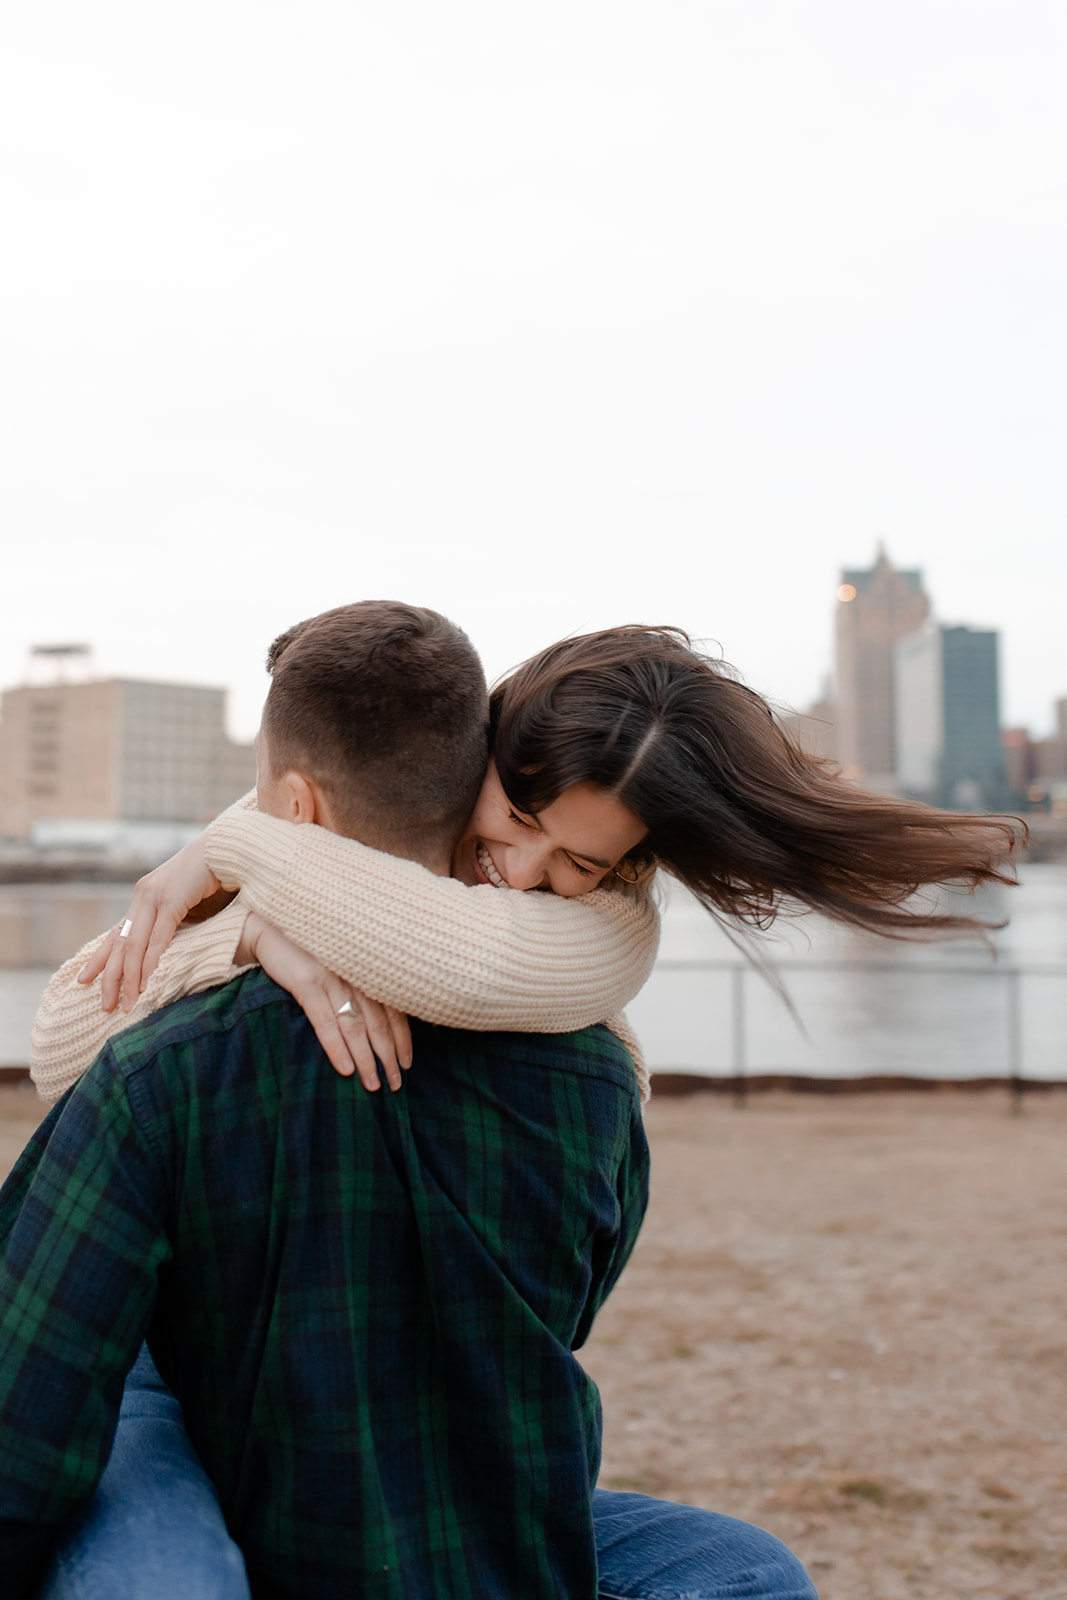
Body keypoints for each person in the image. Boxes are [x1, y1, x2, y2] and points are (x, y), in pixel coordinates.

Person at [4, 602, 819, 1600]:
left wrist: (235, 882)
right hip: (423, 1500)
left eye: (580, 865)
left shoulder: (171, 1063)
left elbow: (25, 1414)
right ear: (474, 762)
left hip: (253, 1451)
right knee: (747, 1576)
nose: (522, 879)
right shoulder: (595, 1079)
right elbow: (569, 1305)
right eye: (519, 822)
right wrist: (248, 925)